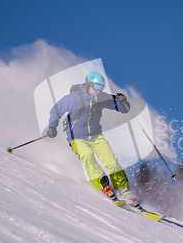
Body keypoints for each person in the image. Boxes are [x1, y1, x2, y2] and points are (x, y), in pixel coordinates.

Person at [46, 71, 140, 208]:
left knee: (111, 161)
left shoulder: (101, 97)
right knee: (87, 156)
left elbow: (124, 109)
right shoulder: (73, 99)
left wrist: (123, 101)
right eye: (96, 86)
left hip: (96, 136)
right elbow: (56, 110)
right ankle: (104, 187)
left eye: (101, 88)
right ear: (89, 84)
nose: (98, 91)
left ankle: (123, 190)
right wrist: (52, 126)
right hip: (77, 137)